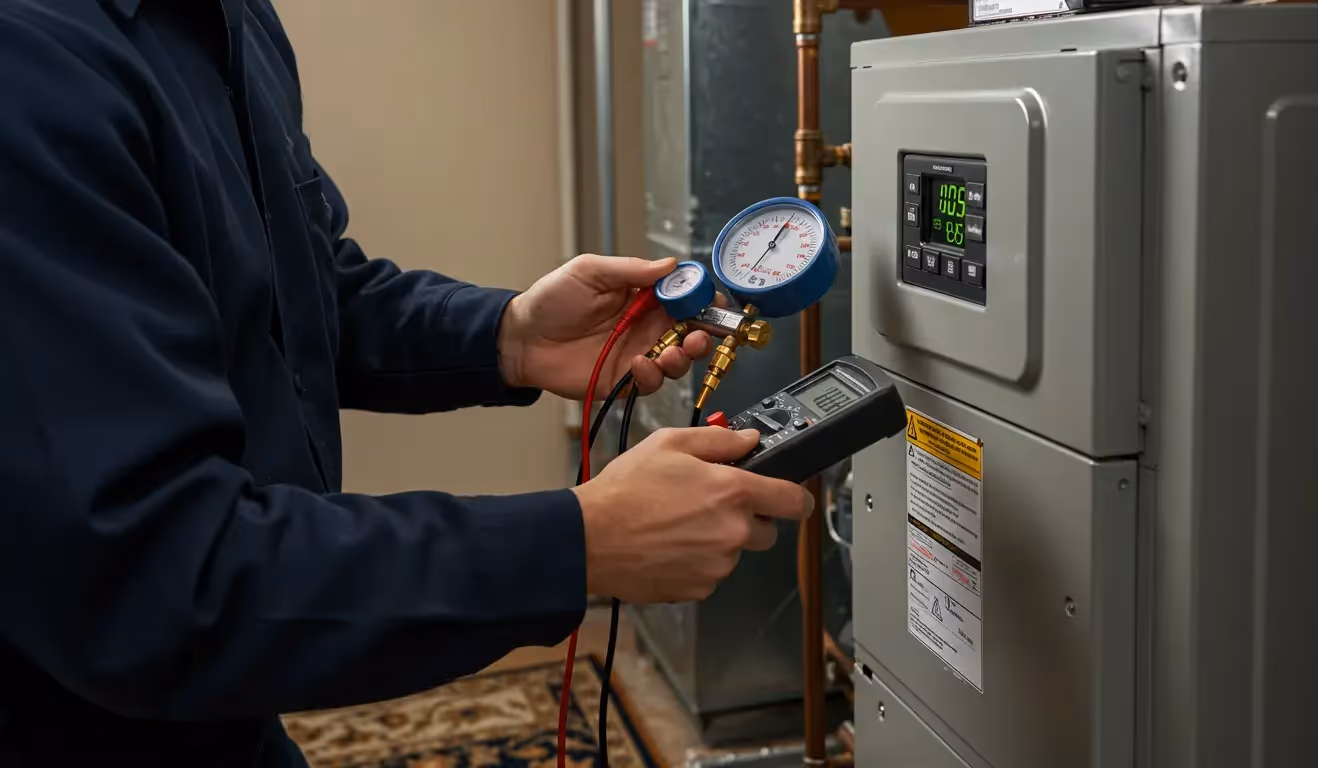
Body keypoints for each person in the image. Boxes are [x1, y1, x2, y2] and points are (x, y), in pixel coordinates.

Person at [0, 0, 814, 765]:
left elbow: (308, 286)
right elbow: (157, 577)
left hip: (226, 713)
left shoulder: (232, 21)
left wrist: (510, 335)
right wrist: (577, 542)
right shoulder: (32, 59)